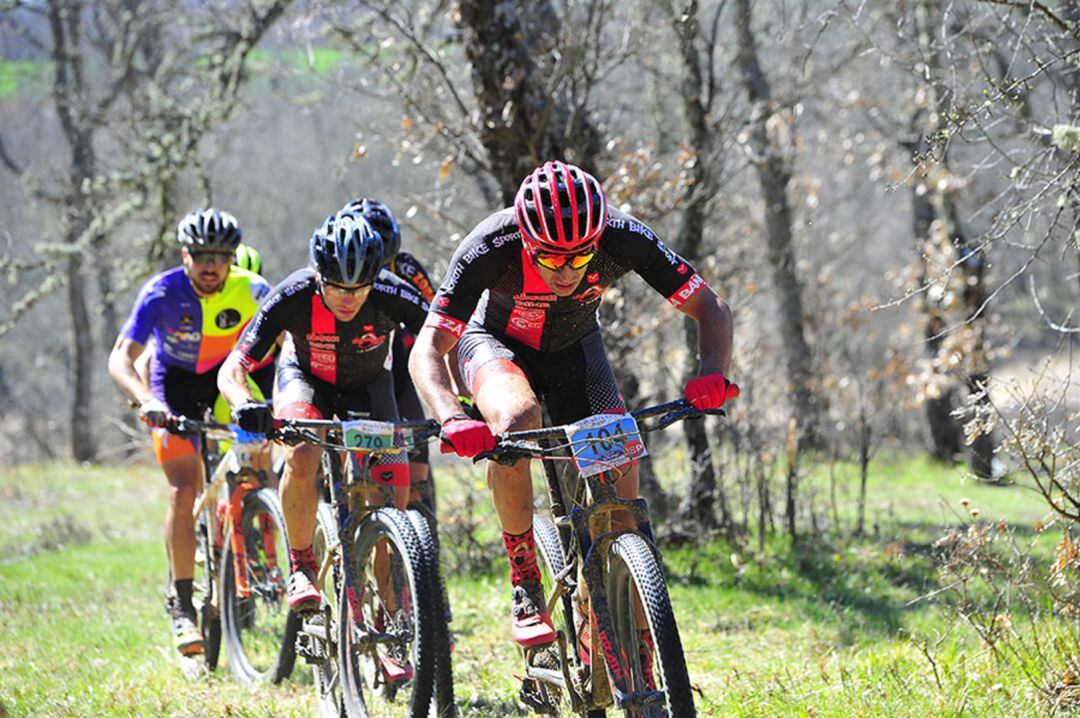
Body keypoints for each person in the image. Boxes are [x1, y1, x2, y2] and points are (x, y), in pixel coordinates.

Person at [408, 160, 736, 653]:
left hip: (577, 351)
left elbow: (708, 306)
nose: (565, 272)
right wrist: (451, 416)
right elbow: (428, 348)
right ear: (525, 239)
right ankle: (525, 577)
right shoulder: (489, 245)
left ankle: (620, 623)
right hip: (494, 345)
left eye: (579, 260)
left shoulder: (622, 236)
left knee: (621, 502)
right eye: (550, 259)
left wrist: (712, 370)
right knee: (518, 423)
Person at [217, 210, 430, 622]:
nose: (348, 298)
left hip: (372, 387)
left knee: (394, 497)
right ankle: (302, 567)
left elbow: (447, 343)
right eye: (336, 287)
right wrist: (244, 403)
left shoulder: (393, 292)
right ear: (318, 276)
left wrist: (460, 402)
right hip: (305, 382)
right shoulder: (292, 294)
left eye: (359, 288)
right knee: (301, 455)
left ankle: (392, 617)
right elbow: (234, 367)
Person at [107, 209, 272, 657]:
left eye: (221, 255)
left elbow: (288, 342)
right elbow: (121, 358)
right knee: (183, 492)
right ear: (186, 254)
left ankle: (259, 548)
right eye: (201, 255)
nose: (210, 265)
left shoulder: (254, 290)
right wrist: (148, 402)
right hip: (171, 387)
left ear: (232, 257)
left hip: (224, 381)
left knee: (259, 460)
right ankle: (181, 605)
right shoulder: (161, 292)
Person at [341, 198, 438, 508]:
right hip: (351, 369)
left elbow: (436, 315)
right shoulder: (335, 268)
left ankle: (414, 541)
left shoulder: (407, 267)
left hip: (399, 369)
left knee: (416, 476)